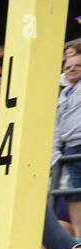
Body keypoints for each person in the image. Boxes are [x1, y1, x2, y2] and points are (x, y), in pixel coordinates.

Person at [54, 51, 81, 232]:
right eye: (68, 67)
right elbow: (58, 123)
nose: (72, 69)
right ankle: (79, 237)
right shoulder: (64, 93)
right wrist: (55, 148)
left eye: (77, 65)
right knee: (74, 194)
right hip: (70, 147)